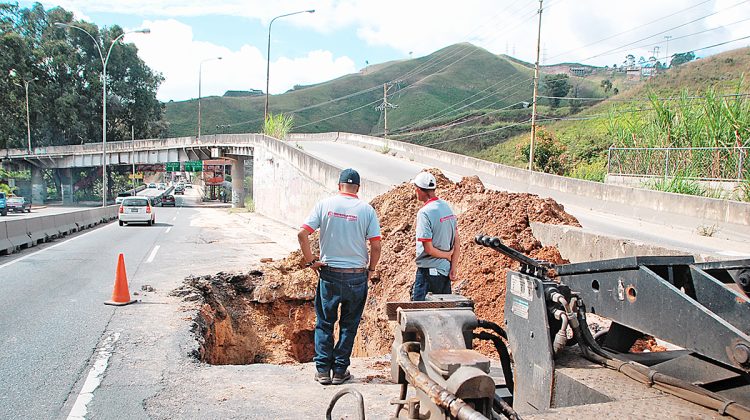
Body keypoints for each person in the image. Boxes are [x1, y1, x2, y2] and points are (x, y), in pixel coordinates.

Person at [297, 168, 382, 386]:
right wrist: (371, 269)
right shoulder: (366, 210)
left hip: (330, 274)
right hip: (356, 276)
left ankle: (323, 371)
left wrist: (310, 261)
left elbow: (302, 234)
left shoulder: (325, 205)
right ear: (358, 188)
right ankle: (340, 371)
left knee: (325, 323)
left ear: (339, 186)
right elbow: (376, 244)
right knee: (349, 325)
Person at [411, 171, 460, 301]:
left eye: (415, 188)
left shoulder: (425, 213)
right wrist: (453, 267)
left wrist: (447, 255)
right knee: (442, 316)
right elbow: (457, 241)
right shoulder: (446, 207)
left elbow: (428, 249)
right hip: (444, 272)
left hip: (428, 274)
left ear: (420, 190)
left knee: (420, 316)